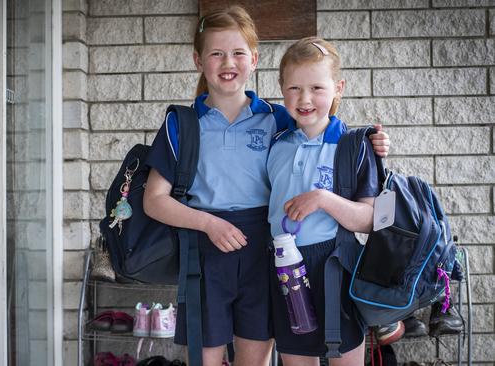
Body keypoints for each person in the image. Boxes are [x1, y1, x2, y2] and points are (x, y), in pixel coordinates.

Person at [143, 7, 389, 366]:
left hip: (266, 250)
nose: (228, 62)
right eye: (216, 53)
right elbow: (154, 200)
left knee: (257, 358)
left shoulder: (277, 119)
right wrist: (208, 223)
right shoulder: (182, 124)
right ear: (198, 60)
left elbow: (322, 123)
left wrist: (372, 141)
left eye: (238, 52)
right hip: (206, 249)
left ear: (254, 59)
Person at [266, 36, 379, 365]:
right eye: (294, 88)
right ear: (282, 88)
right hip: (284, 270)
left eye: (316, 88)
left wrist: (323, 199)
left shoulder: (353, 146)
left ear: (338, 87)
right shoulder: (276, 144)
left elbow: (369, 219)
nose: (304, 99)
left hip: (334, 267)